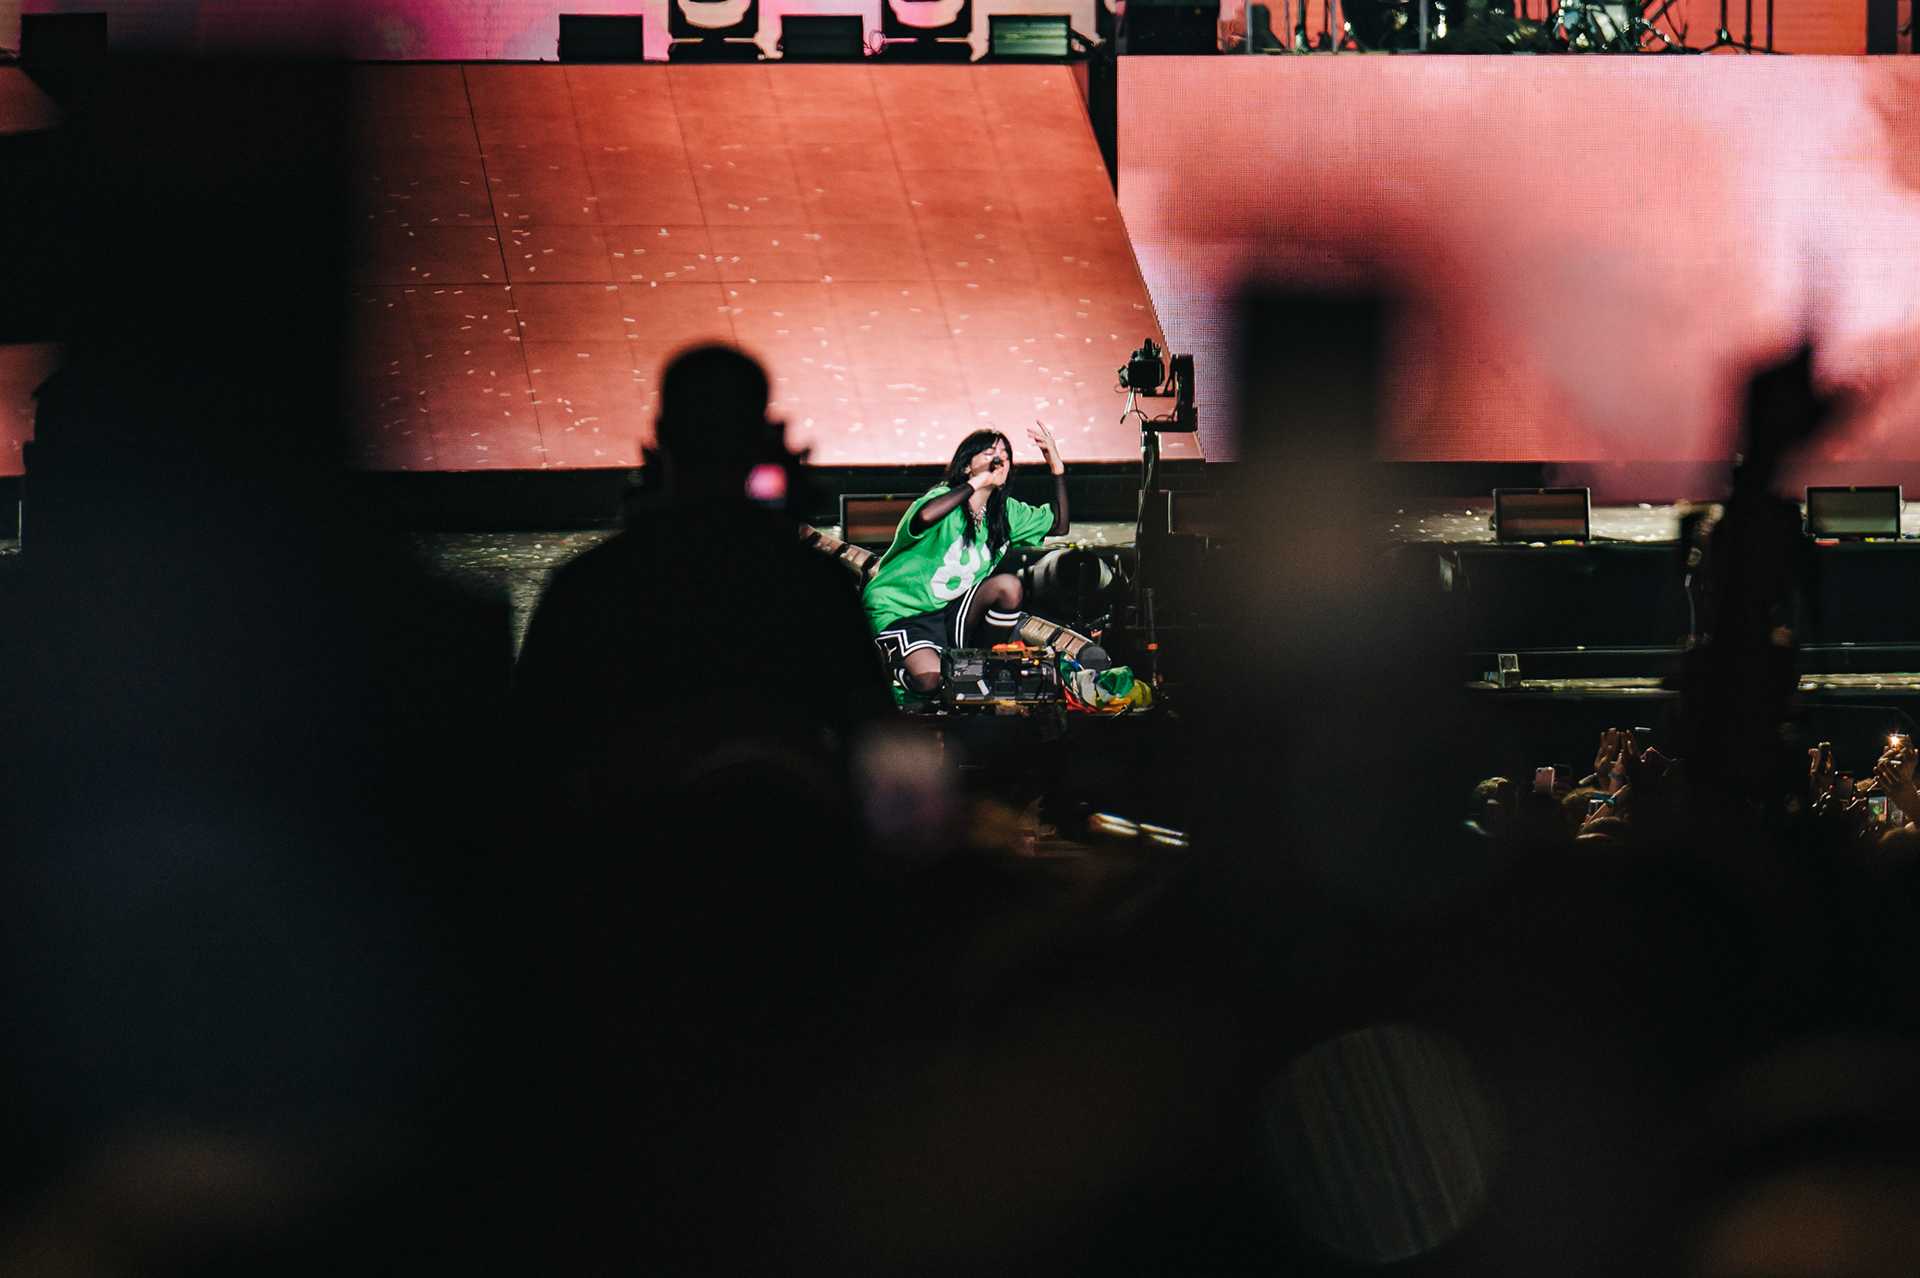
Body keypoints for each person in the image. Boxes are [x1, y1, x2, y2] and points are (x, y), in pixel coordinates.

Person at [864, 423, 1069, 694]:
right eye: (989, 453)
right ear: (966, 467)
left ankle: (981, 664)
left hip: (948, 611)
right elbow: (924, 517)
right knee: (930, 680)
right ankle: (885, 665)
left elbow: (1059, 525)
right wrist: (977, 484)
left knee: (1009, 587)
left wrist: (1056, 466)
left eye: (1005, 455)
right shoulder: (943, 499)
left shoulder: (1006, 512)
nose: (999, 460)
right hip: (901, 609)